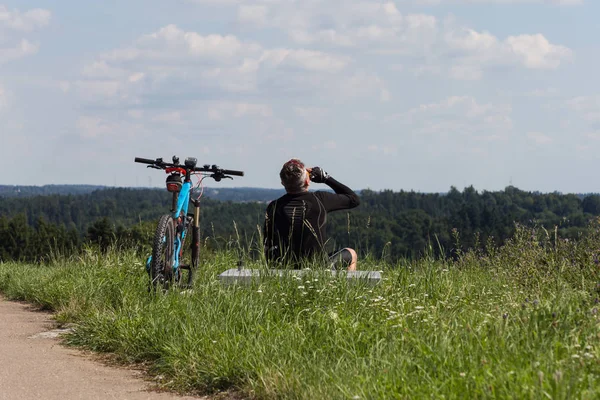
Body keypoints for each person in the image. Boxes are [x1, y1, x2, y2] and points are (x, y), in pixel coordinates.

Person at [263, 158, 360, 270]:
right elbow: (353, 199)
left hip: (285, 267)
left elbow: (267, 244)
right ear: (307, 181)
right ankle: (344, 287)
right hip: (318, 268)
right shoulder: (321, 200)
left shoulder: (274, 207)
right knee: (351, 253)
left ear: (282, 183)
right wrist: (326, 178)